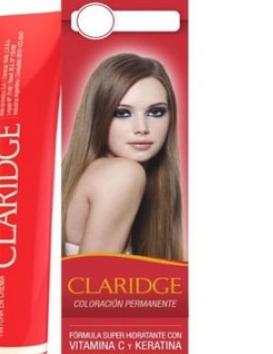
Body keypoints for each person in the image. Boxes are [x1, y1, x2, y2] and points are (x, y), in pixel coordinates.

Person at [62, 53, 183, 259]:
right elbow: (92, 278)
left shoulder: (83, 173)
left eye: (155, 112)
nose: (142, 128)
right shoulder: (124, 174)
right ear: (98, 115)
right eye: (122, 113)